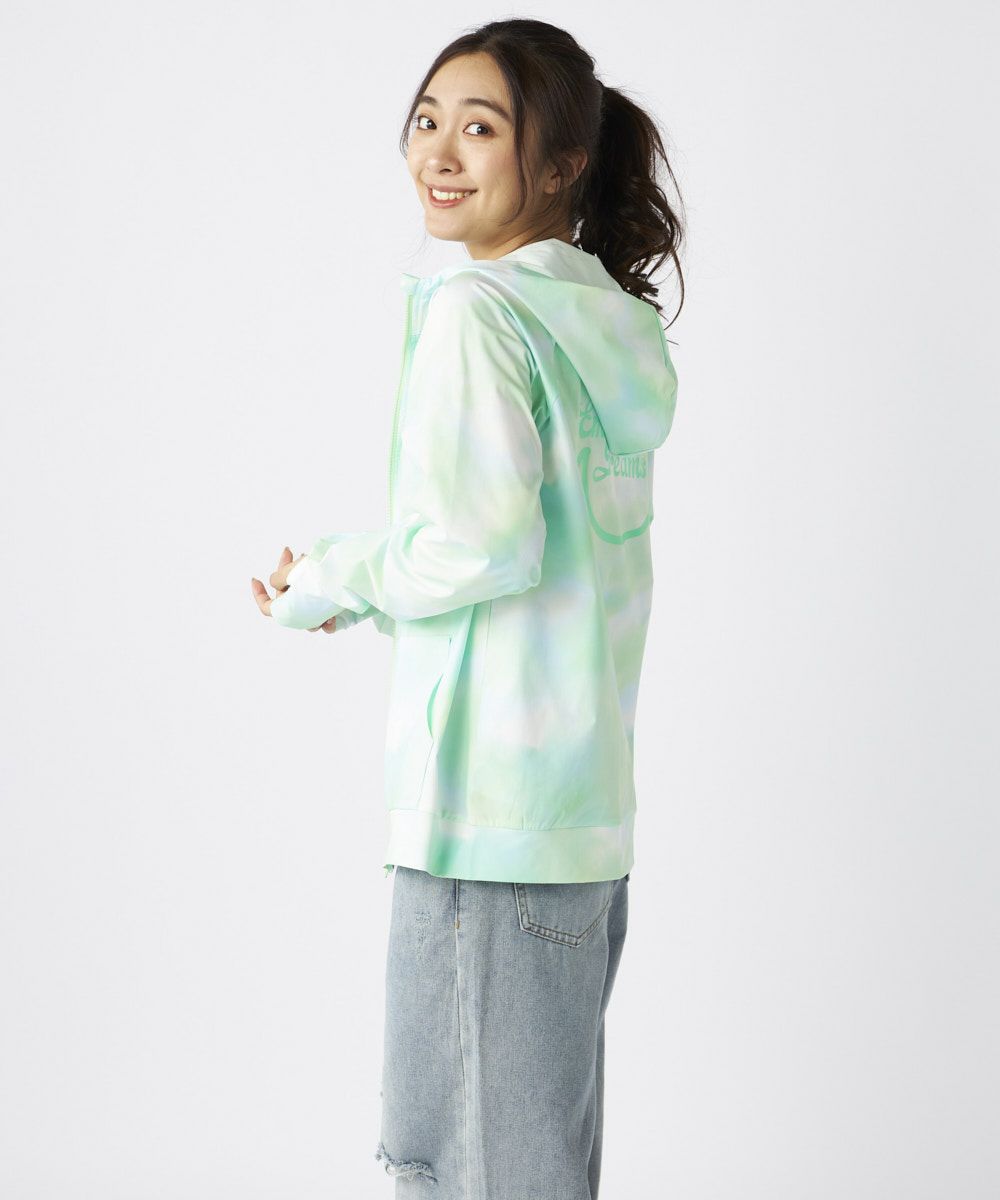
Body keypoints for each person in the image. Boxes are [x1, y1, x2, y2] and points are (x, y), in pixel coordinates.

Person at [251, 17, 685, 1199]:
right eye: (427, 120)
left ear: (557, 165)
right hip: (577, 827)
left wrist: (336, 574)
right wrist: (365, 600)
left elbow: (478, 546)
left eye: (480, 128)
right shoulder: (601, 324)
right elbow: (536, 565)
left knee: (461, 1174)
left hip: (481, 829)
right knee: (535, 1170)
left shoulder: (478, 310)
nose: (438, 152)